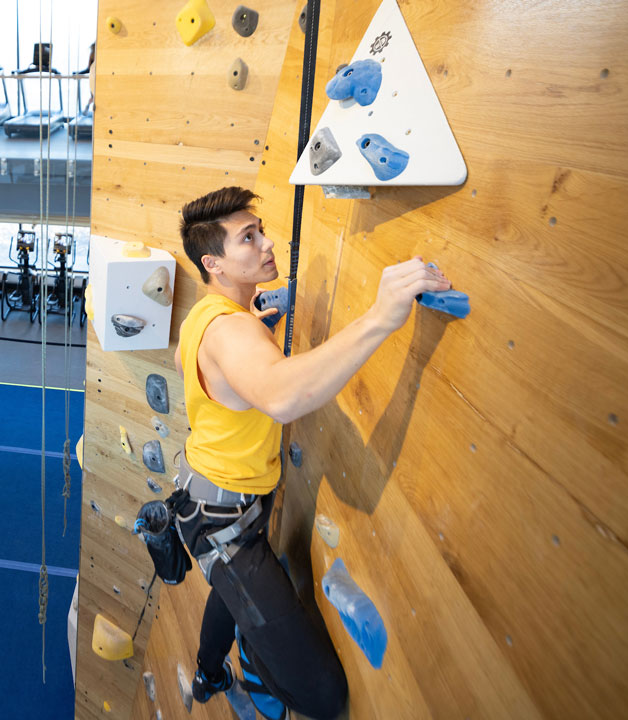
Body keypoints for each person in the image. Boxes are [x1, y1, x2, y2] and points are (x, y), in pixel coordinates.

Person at [172, 186, 451, 719]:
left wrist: (258, 333)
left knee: (227, 587)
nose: (268, 243)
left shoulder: (208, 317)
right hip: (224, 519)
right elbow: (280, 396)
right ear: (215, 263)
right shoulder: (232, 332)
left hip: (214, 498)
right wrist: (381, 317)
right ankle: (254, 671)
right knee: (323, 696)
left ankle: (209, 674)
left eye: (261, 229)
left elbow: (205, 374)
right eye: (248, 239)